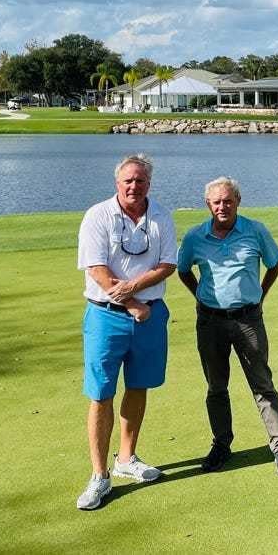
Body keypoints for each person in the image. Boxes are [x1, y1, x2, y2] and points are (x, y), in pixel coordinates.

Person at [74, 154, 178, 510]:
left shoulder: (161, 216)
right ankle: (99, 476)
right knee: (101, 393)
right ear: (117, 183)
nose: (134, 187)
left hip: (150, 316)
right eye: (128, 181)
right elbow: (96, 268)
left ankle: (126, 459)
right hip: (107, 315)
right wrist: (132, 302)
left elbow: (167, 265)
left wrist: (132, 289)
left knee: (138, 386)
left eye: (140, 181)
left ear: (149, 184)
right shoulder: (97, 215)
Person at [177, 176, 278, 476]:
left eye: (228, 201)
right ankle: (221, 445)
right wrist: (201, 296)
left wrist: (259, 295)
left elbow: (276, 262)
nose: (222, 206)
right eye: (216, 202)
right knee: (216, 387)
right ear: (208, 204)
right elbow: (183, 271)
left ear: (238, 202)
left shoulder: (255, 231)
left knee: (262, 384)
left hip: (248, 319)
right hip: (210, 322)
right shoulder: (195, 237)